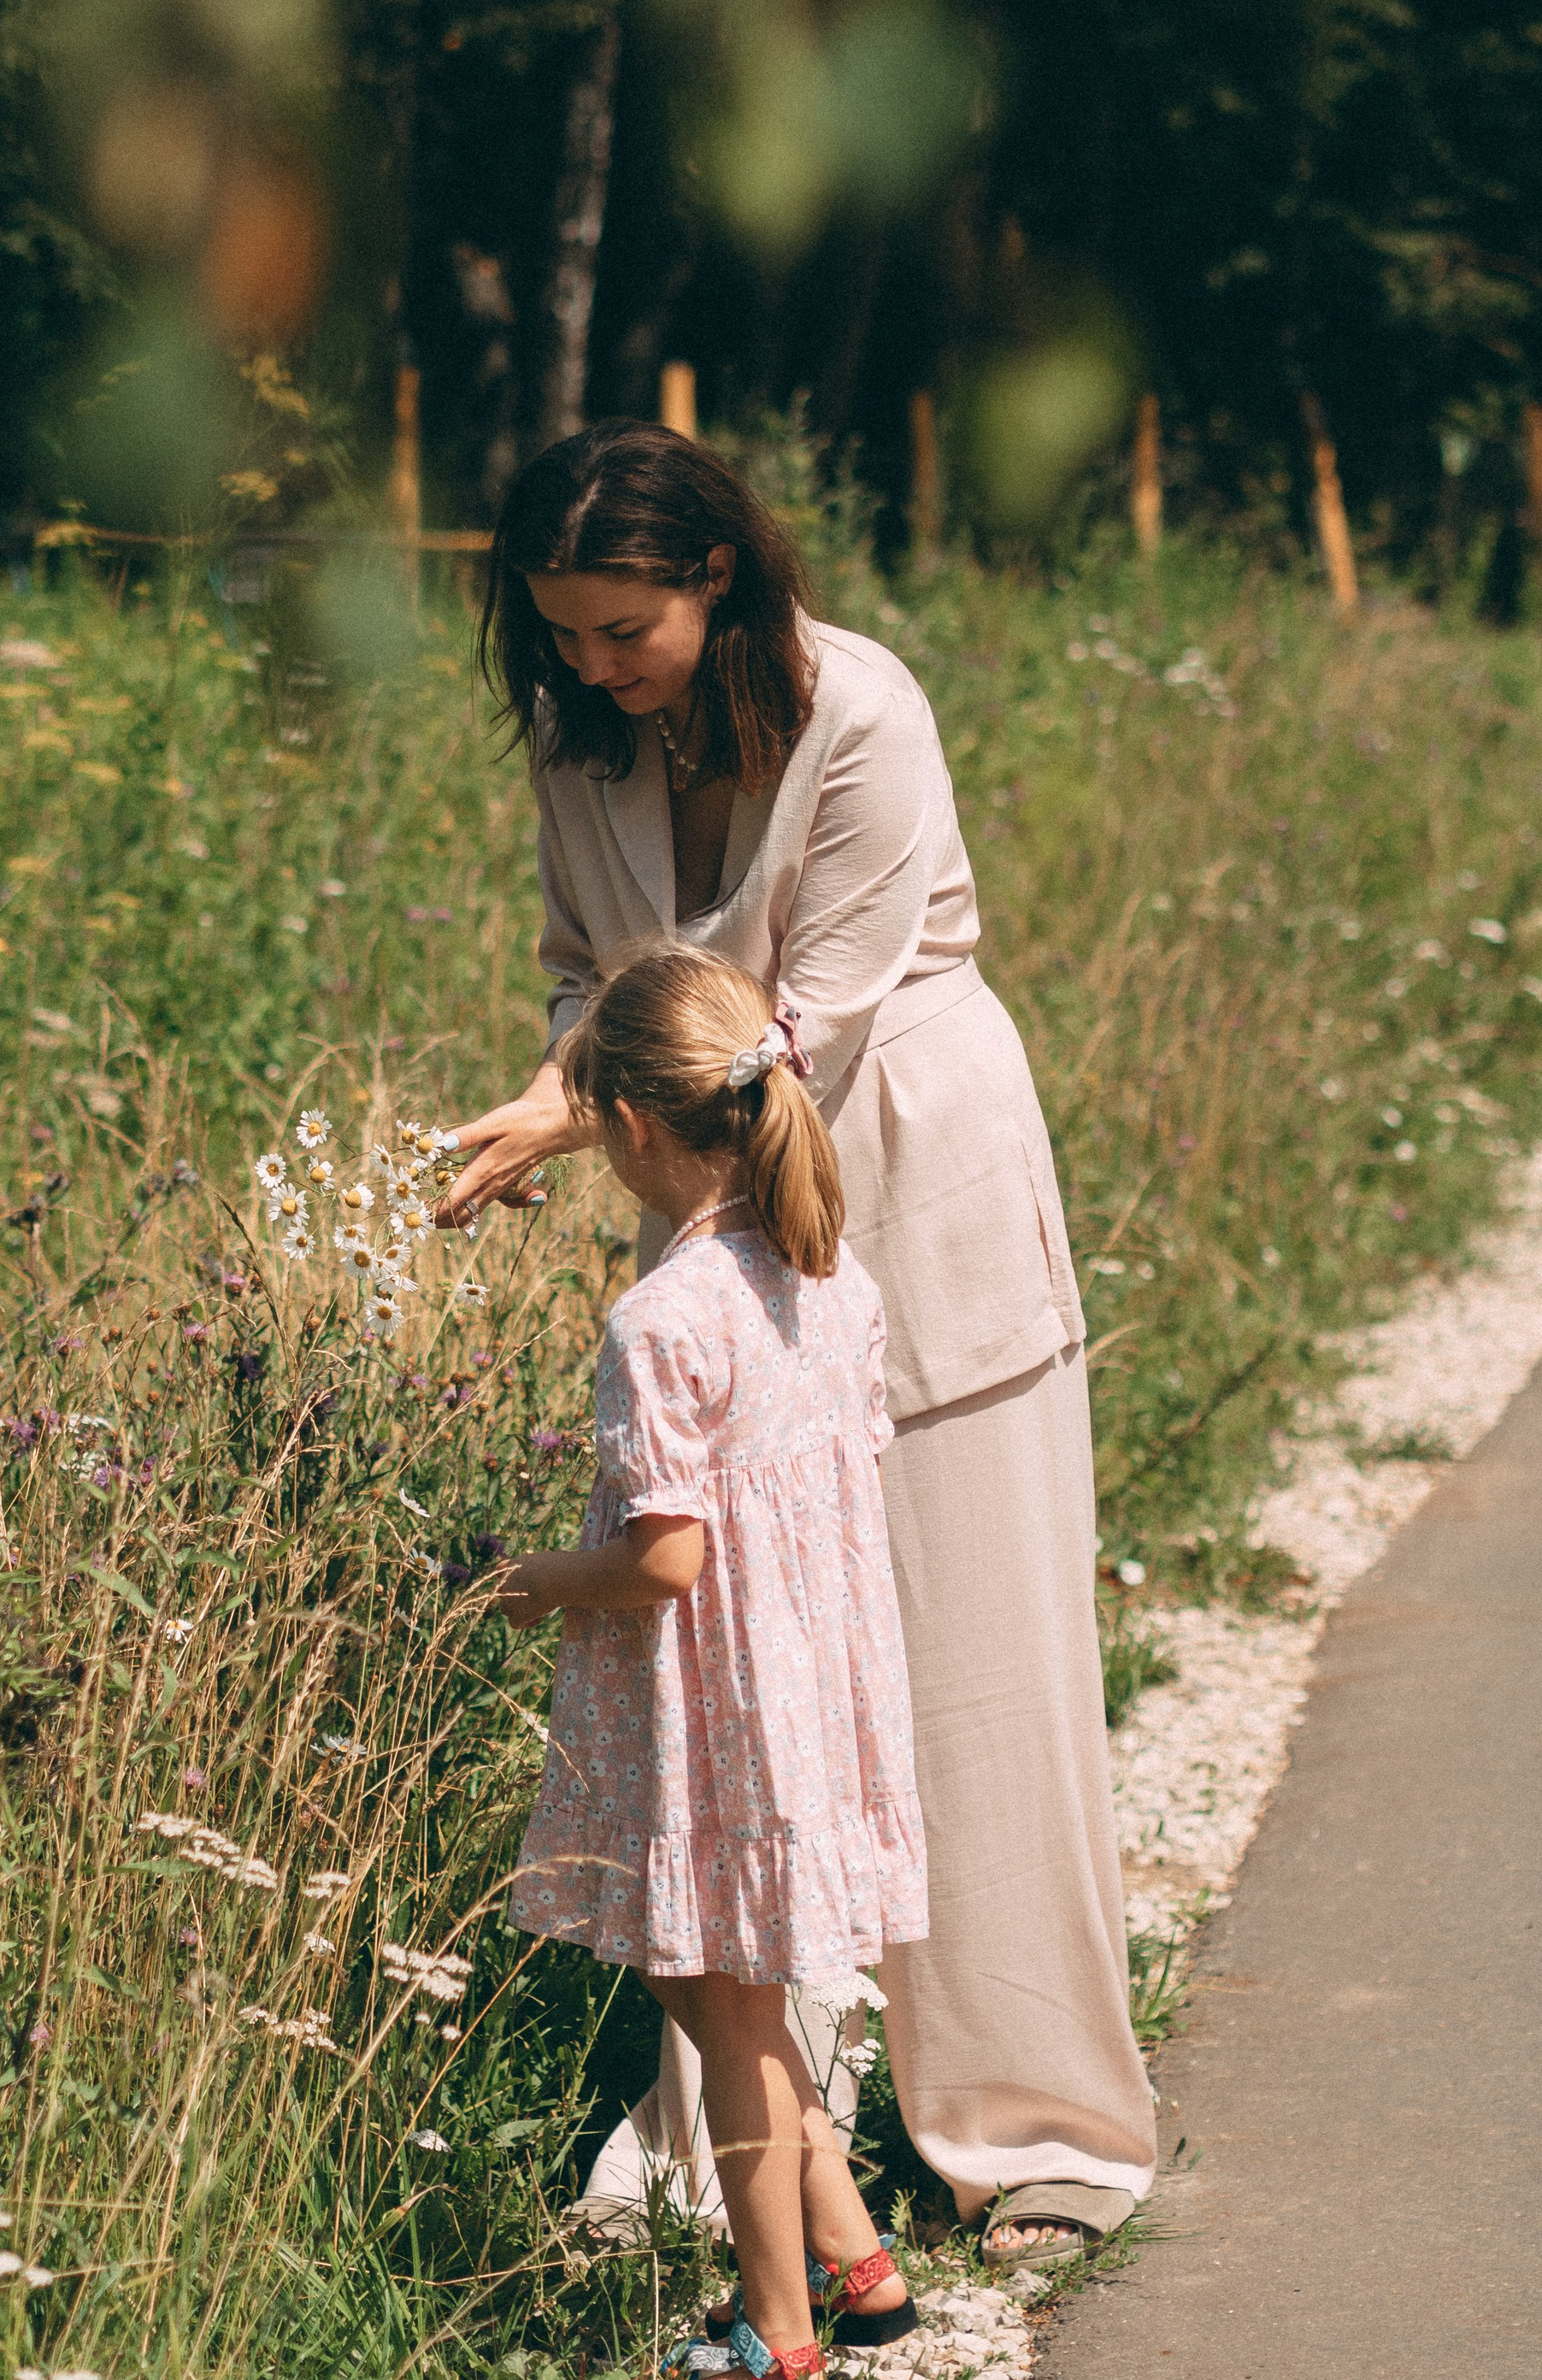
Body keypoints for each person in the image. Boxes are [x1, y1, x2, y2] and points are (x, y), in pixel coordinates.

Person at [446, 421, 1155, 2264]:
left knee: (972, 1666)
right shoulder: (576, 737)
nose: (588, 668)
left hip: (896, 1188)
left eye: (621, 630)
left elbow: (804, 1027)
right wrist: (556, 1086)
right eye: (561, 637)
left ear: (717, 581)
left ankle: (1032, 2135)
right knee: (743, 1686)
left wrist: (576, 1100)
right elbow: (577, 972)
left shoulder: (862, 710)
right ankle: (756, 2147)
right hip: (704, 1217)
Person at [498, 945, 927, 2377]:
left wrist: (524, 1583)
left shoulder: (662, 1316)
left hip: (718, 1711)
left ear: (626, 1126)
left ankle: (778, 2334)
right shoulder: (826, 1279)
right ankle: (859, 2264)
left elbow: (666, 1557)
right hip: (806, 1697)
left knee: (729, 2030)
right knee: (722, 2001)